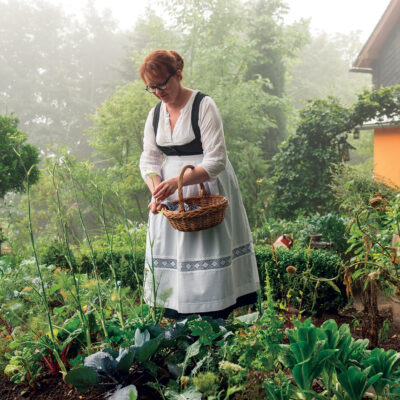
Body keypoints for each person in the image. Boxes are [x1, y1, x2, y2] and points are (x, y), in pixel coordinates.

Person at [139, 50, 260, 319]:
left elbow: (216, 160)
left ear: (178, 75)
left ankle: (213, 317)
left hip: (206, 188)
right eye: (152, 87)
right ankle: (177, 321)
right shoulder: (155, 114)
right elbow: (149, 158)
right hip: (172, 196)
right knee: (173, 254)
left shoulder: (203, 105)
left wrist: (177, 182)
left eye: (162, 84)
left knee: (207, 248)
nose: (158, 92)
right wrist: (158, 191)